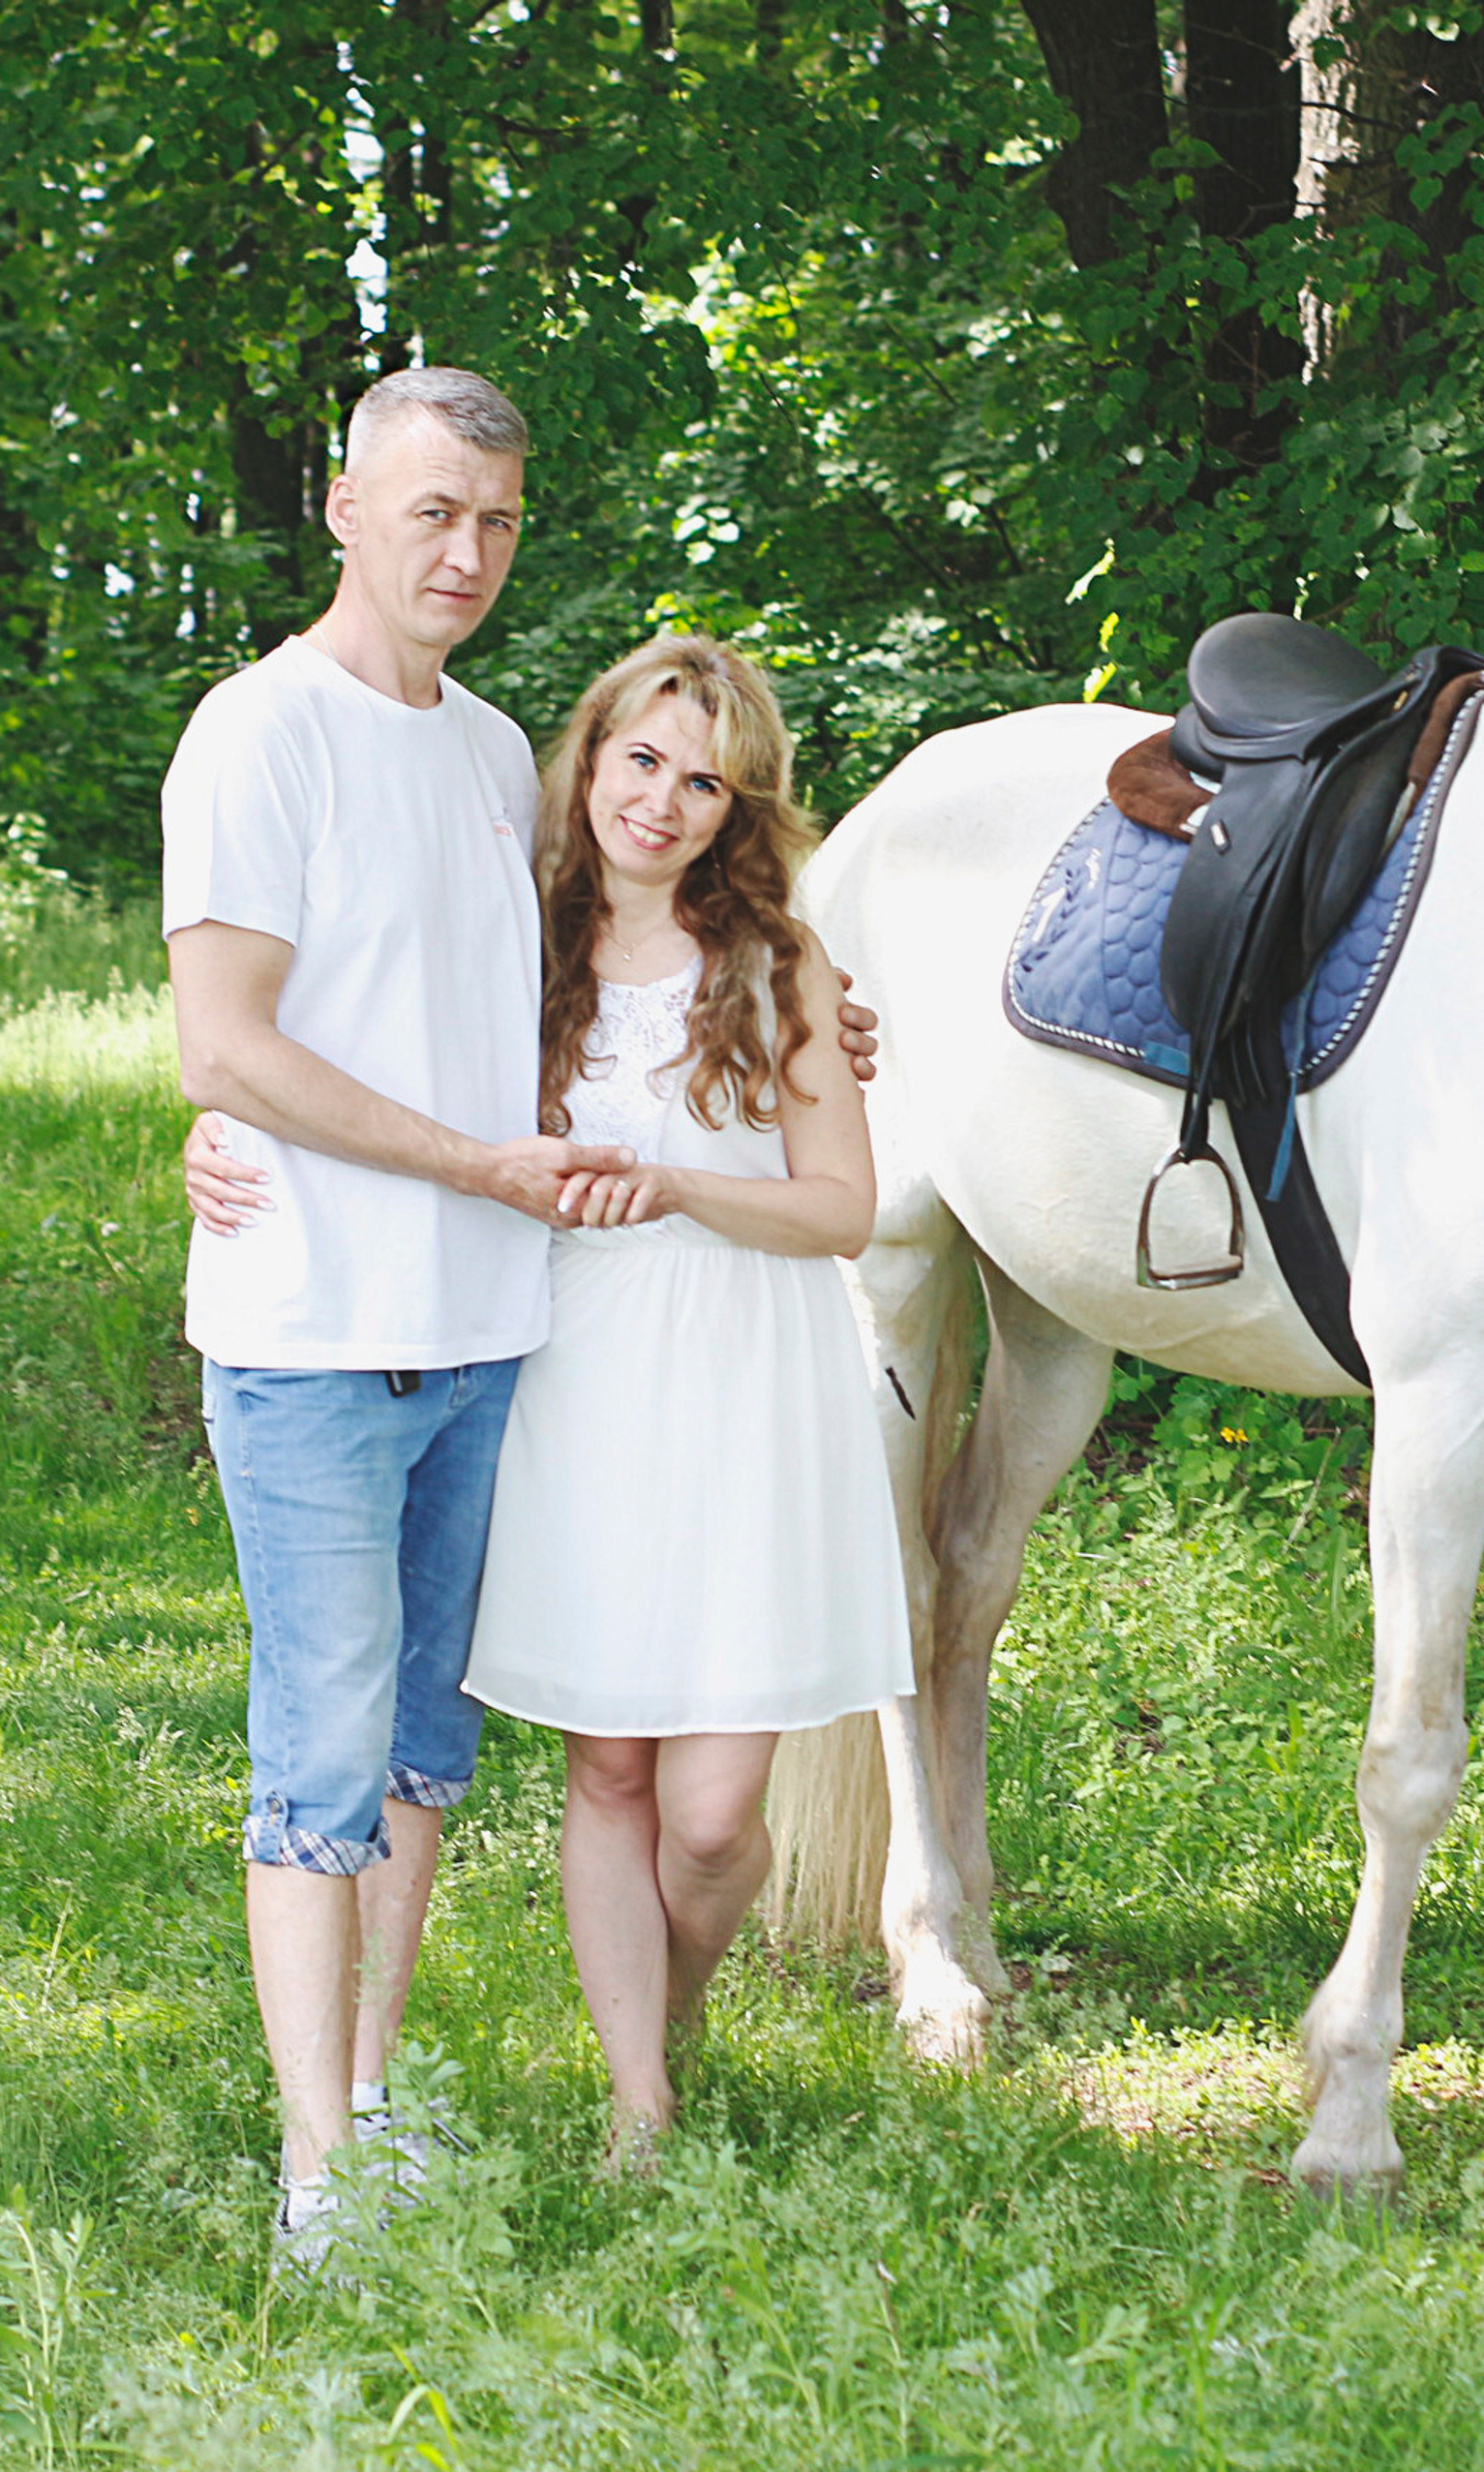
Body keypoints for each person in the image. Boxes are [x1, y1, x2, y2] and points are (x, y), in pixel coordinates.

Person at [164, 367, 872, 2271]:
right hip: (322, 1328)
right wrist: (223, 1129)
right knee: (327, 1742)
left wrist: (825, 1017)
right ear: (341, 505)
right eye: (428, 513)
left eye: (491, 520)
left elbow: (518, 982)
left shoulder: (490, 757)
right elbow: (225, 1030)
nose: (462, 550)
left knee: (416, 1753)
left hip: (492, 1337)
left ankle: (374, 2100)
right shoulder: (258, 733)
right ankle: (323, 2175)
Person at [457, 633, 909, 2166]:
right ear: (589, 758)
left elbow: (842, 1207)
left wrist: (680, 1191)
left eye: (701, 781)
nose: (659, 799)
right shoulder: (505, 944)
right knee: (608, 1762)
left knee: (713, 1815)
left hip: (748, 1377)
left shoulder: (779, 963)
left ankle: (682, 2002)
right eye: (640, 759)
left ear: (735, 811)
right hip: (578, 1373)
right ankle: (637, 2101)